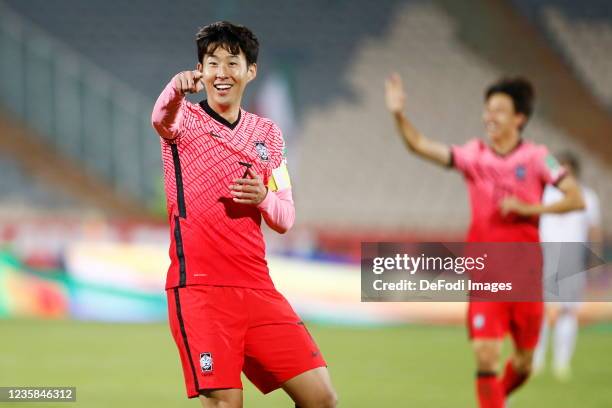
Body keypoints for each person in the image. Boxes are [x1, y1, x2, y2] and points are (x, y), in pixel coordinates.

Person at [151, 21, 337, 408]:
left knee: (322, 398)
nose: (221, 72)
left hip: (257, 289)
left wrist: (263, 199)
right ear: (200, 70)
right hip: (200, 290)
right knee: (226, 404)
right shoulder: (184, 120)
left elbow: (284, 217)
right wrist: (174, 88)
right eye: (212, 62)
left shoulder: (268, 133)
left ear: (250, 71)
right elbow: (160, 119)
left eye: (232, 63)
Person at [384, 74, 584, 408]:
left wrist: (529, 207)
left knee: (524, 363)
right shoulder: (473, 155)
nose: (489, 117)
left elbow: (575, 198)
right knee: (486, 355)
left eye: (499, 110)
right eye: (487, 109)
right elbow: (420, 145)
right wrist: (398, 114)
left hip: (526, 277)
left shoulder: (539, 157)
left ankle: (494, 400)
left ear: (519, 117)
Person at [534, 151, 602, 381]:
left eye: (568, 168)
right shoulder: (545, 194)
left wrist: (595, 258)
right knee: (541, 309)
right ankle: (537, 360)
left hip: (572, 257)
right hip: (546, 255)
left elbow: (594, 230)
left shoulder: (588, 196)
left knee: (567, 311)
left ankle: (562, 363)